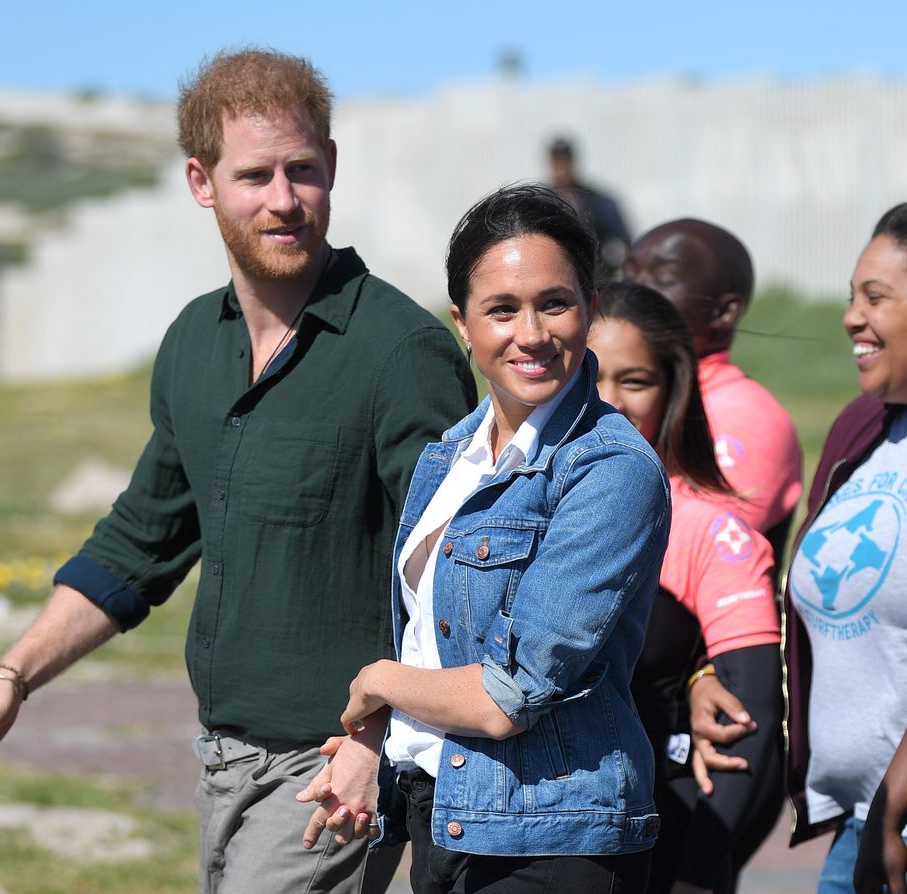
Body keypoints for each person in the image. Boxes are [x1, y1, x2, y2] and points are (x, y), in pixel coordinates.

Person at [0, 48, 476, 894]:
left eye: (303, 170)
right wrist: (13, 678)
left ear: (331, 167)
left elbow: (458, 577)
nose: (285, 199)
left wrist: (379, 739)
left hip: (332, 770)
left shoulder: (400, 352)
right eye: (255, 175)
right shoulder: (194, 342)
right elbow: (139, 542)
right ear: (201, 182)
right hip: (222, 763)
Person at [300, 183, 671, 893]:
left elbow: (511, 694)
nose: (531, 334)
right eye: (502, 309)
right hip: (444, 815)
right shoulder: (450, 457)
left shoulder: (611, 469)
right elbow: (432, 643)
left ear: (589, 306)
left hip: (555, 839)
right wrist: (371, 739)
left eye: (554, 303)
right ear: (463, 325)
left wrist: (377, 686)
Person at [689, 203, 907, 894]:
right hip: (858, 821)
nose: (850, 317)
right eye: (850, 297)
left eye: (876, 298)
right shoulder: (860, 429)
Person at [590, 282, 783, 894]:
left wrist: (698, 876)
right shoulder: (508, 500)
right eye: (591, 374)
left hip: (665, 844)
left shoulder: (710, 528)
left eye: (635, 381)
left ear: (673, 391)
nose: (609, 401)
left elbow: (753, 721)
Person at [623, 218, 802, 561]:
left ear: (724, 311)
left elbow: (700, 550)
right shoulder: (609, 396)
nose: (634, 290)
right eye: (629, 273)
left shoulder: (745, 416)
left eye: (661, 277)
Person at [548, 136, 631, 278]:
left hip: (592, 276)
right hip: (555, 274)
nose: (562, 169)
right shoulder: (544, 199)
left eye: (565, 162)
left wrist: (608, 267)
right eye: (558, 163)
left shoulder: (596, 200)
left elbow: (623, 240)